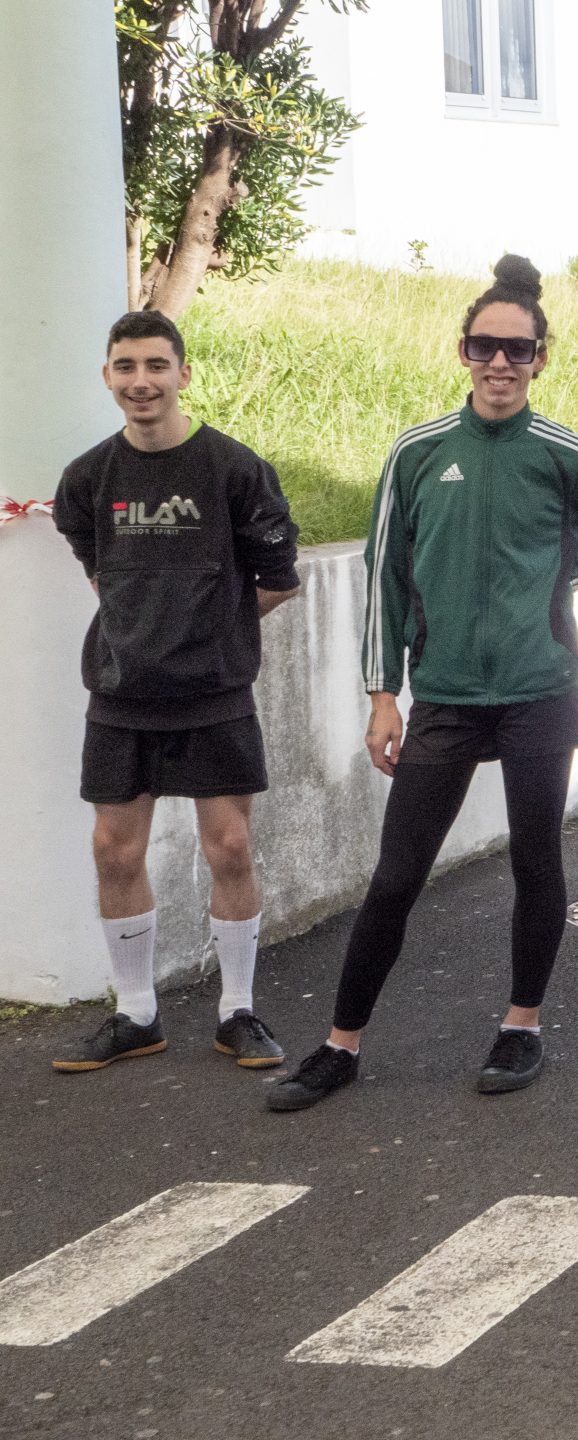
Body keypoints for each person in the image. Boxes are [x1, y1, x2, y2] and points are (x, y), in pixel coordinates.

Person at [266, 256, 578, 1112]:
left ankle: (521, 1026)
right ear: (463, 351)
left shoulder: (560, 451)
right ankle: (340, 1045)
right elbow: (384, 576)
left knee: (536, 860)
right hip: (443, 694)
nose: (500, 363)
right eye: (485, 346)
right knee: (397, 875)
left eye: (518, 349)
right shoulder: (418, 452)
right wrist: (382, 694)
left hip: (541, 687)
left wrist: (568, 578)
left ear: (541, 358)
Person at [49, 311, 301, 1073]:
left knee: (230, 846)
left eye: (156, 365)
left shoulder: (235, 470)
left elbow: (278, 580)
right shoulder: (86, 479)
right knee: (113, 850)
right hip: (121, 697)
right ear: (108, 376)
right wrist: (144, 630)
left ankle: (237, 1012)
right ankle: (136, 1014)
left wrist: (208, 631)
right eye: (126, 366)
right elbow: (99, 571)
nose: (142, 381)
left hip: (213, 694)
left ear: (183, 374)